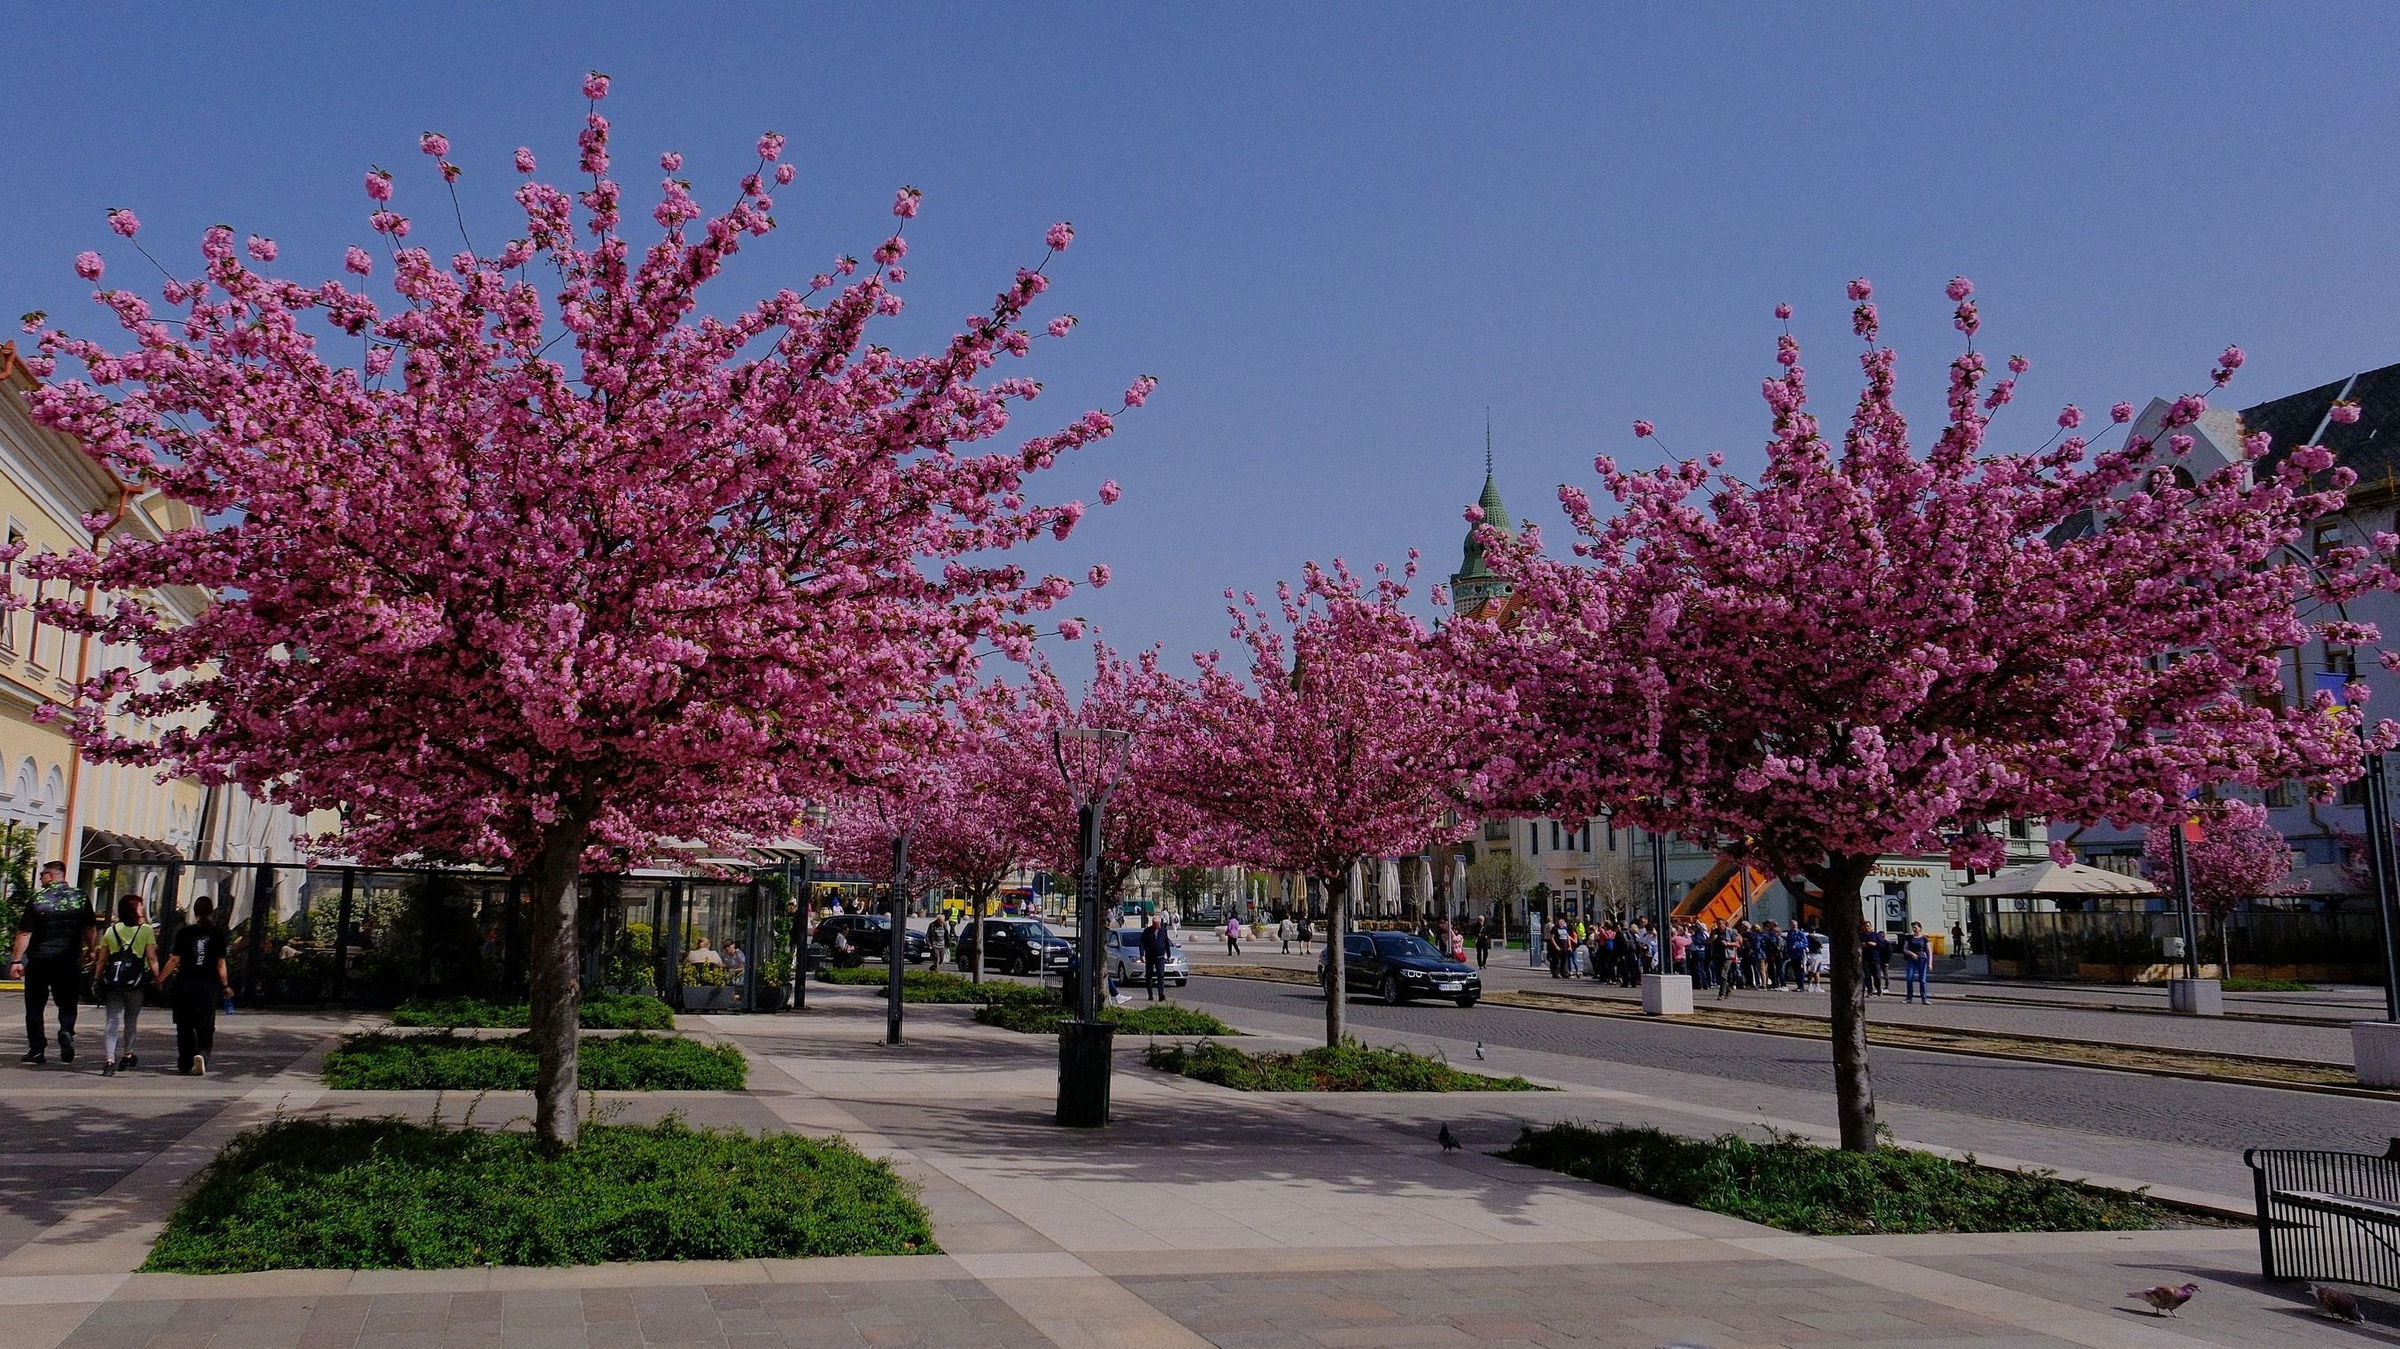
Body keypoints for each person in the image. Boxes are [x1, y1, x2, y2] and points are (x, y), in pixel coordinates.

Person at [10, 862, 96, 1066]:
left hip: (40, 960)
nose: (40, 879)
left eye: (42, 875)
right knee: (67, 1002)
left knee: (34, 1005)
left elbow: (25, 933)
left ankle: (37, 1049)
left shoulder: (38, 899)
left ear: (50, 875)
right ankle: (66, 1030)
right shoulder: (80, 897)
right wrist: (91, 949)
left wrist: (16, 960)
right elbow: (90, 927)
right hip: (68, 959)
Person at [91, 895, 161, 1077]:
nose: (142, 909)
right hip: (135, 983)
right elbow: (152, 958)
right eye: (140, 906)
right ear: (133, 910)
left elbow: (102, 960)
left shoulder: (111, 930)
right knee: (131, 1020)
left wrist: (97, 978)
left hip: (114, 983)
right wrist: (158, 978)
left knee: (112, 1020)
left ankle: (109, 1060)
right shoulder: (145, 931)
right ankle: (127, 1054)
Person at [159, 895, 229, 1075]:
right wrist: (225, 985)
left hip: (185, 986)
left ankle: (185, 1061)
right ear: (212, 912)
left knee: (184, 1026)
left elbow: (174, 959)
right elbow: (221, 964)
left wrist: (160, 978)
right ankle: (202, 1055)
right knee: (206, 1026)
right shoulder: (218, 934)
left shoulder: (184, 933)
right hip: (208, 987)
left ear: (195, 912)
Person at [1140, 915, 1173, 1002]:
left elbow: (1166, 943)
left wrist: (1169, 955)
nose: (1157, 926)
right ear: (1152, 923)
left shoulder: (1163, 931)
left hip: (1160, 957)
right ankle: (1150, 994)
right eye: (1155, 924)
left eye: (1158, 924)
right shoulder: (1147, 931)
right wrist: (1142, 954)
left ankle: (1161, 994)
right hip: (1150, 956)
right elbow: (1142, 943)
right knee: (1149, 976)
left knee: (1161, 975)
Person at [1901, 921, 1934, 1004]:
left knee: (1922, 980)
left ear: (1920, 928)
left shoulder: (1924, 938)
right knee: (1909, 978)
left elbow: (1929, 951)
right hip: (1911, 959)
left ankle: (1924, 999)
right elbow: (1905, 949)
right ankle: (1909, 998)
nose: (1914, 929)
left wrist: (1930, 963)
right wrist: (1911, 953)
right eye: (1913, 928)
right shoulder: (1909, 938)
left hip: (1922, 959)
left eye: (1915, 927)